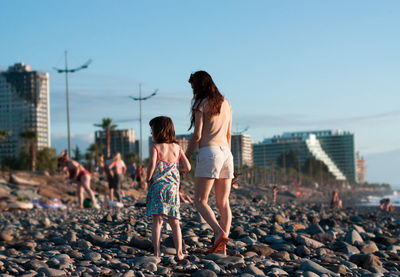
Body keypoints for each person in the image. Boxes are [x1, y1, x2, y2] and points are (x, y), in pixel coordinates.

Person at [185, 71, 234, 255]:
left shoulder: (200, 103)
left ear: (199, 86)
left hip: (210, 152)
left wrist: (186, 157)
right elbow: (229, 134)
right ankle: (221, 248)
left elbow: (197, 135)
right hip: (227, 153)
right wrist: (227, 157)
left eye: (193, 86)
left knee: (200, 200)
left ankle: (219, 234)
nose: (192, 90)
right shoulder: (227, 103)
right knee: (223, 203)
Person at [146, 116, 191, 260]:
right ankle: (179, 253)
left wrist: (148, 179)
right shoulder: (177, 147)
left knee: (157, 221)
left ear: (158, 131)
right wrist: (177, 170)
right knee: (174, 222)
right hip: (172, 189)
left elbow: (152, 165)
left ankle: (157, 252)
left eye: (152, 130)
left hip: (158, 188)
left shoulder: (156, 147)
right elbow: (188, 167)